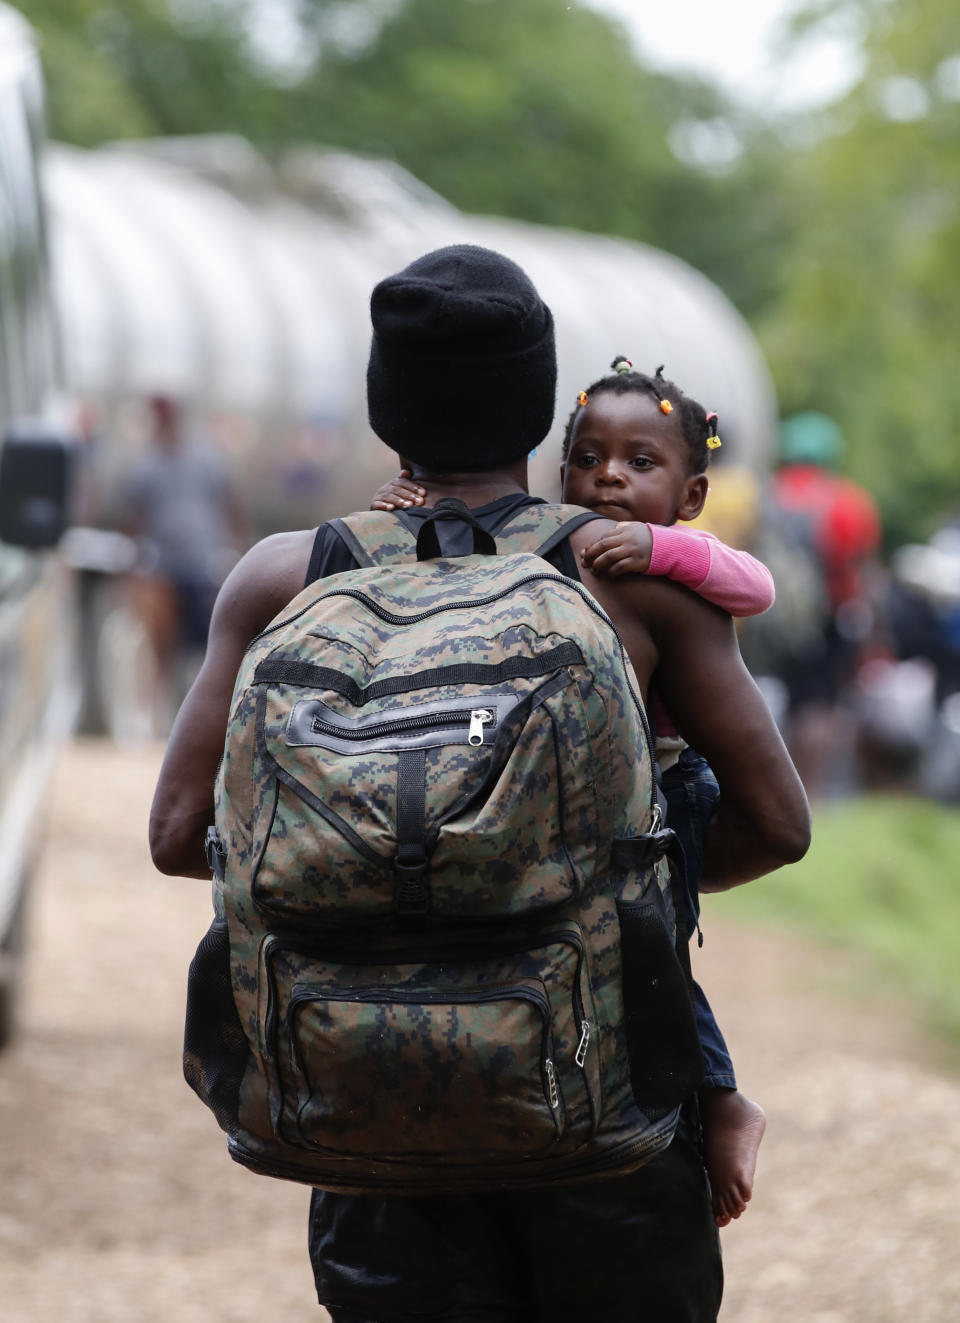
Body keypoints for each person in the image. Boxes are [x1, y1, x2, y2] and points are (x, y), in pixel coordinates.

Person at [150, 245, 810, 1323]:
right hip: (606, 1113)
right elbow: (779, 825)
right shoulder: (628, 576)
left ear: (385, 403)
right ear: (538, 412)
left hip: (363, 1098)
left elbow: (181, 837)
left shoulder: (286, 576)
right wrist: (588, 879)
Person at [373, 357, 773, 1228]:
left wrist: (659, 549)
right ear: (556, 473)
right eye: (589, 459)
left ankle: (720, 1095)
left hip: (671, 783)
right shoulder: (549, 554)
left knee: (658, 946)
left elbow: (758, 586)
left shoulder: (667, 571)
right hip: (570, 794)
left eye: (639, 463)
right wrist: (405, 502)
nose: (609, 479)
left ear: (691, 492)